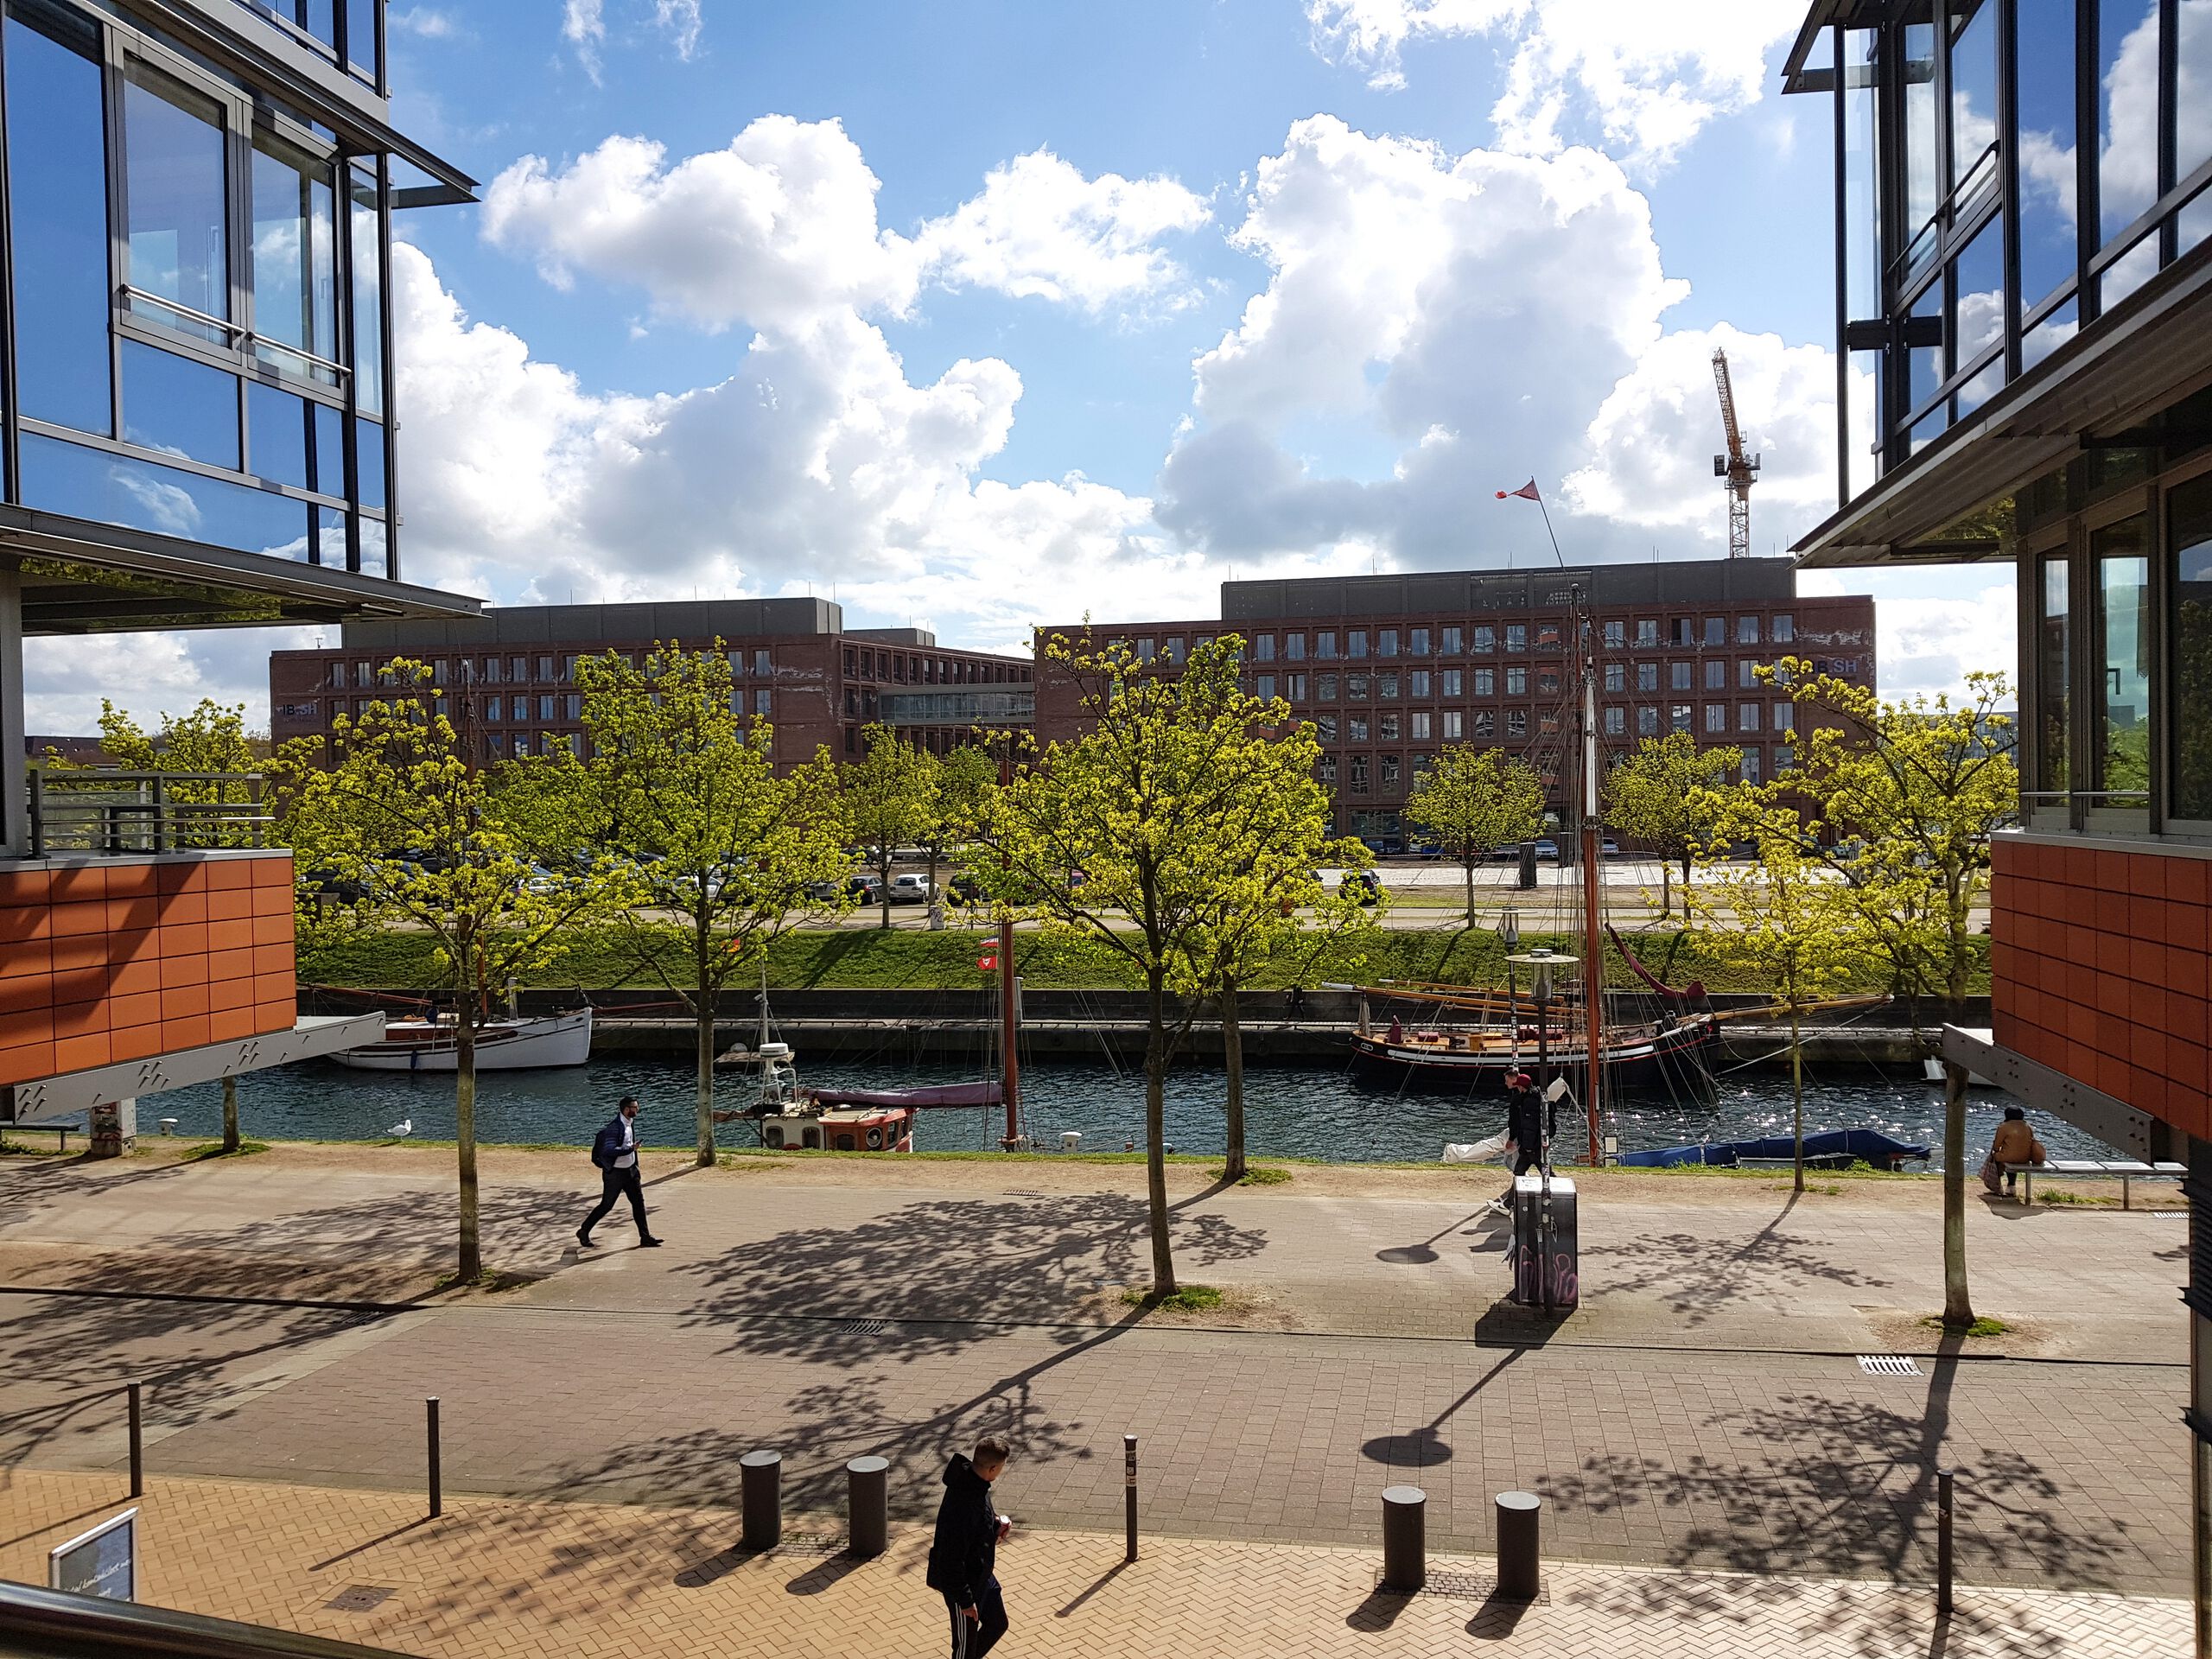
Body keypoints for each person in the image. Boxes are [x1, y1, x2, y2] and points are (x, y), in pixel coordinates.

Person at [927, 1433, 1013, 1658]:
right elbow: (950, 1559)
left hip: (982, 1575)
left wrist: (996, 1524)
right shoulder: (963, 1503)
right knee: (964, 1648)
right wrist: (965, 1601)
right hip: (963, 1587)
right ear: (993, 1468)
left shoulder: (977, 1484)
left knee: (997, 1624)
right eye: (1001, 1467)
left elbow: (980, 1523)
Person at [578, 1095, 662, 1249]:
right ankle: (584, 1231)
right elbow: (609, 1150)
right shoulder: (615, 1128)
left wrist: (635, 1165)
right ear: (626, 1109)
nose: (637, 1110)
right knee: (607, 1205)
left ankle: (645, 1237)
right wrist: (631, 1149)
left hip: (631, 1172)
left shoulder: (630, 1122)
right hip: (615, 1174)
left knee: (639, 1204)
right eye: (635, 1108)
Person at [1986, 1105, 2038, 1198]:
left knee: (1995, 1158)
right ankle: (2011, 1186)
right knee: (2011, 1158)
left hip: (2008, 1157)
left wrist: (1996, 1151)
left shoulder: (2004, 1126)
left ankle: (1997, 1186)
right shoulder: (2028, 1126)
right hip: (2025, 1158)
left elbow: (1996, 1146)